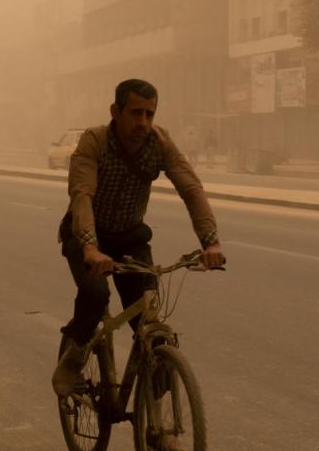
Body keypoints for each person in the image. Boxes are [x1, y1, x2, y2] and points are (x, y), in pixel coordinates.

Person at [52, 79, 226, 407]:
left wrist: (211, 242)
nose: (143, 122)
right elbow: (82, 194)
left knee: (152, 329)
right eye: (135, 113)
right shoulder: (95, 142)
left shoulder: (160, 144)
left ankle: (156, 429)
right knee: (95, 293)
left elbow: (191, 188)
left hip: (130, 237)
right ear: (115, 112)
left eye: (149, 114)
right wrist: (90, 247)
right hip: (86, 236)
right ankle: (73, 358)